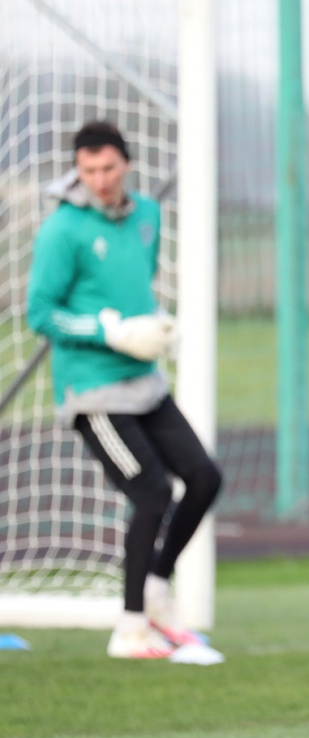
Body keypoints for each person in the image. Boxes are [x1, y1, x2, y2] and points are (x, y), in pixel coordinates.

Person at [26, 120, 222, 659]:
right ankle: (131, 628)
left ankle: (156, 588)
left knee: (204, 477)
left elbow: (138, 285)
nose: (99, 179)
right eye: (88, 169)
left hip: (144, 382)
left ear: (126, 164)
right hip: (94, 391)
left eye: (108, 167)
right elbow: (40, 312)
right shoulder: (63, 229)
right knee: (153, 492)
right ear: (77, 170)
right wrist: (106, 330)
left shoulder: (147, 215)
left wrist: (155, 323)